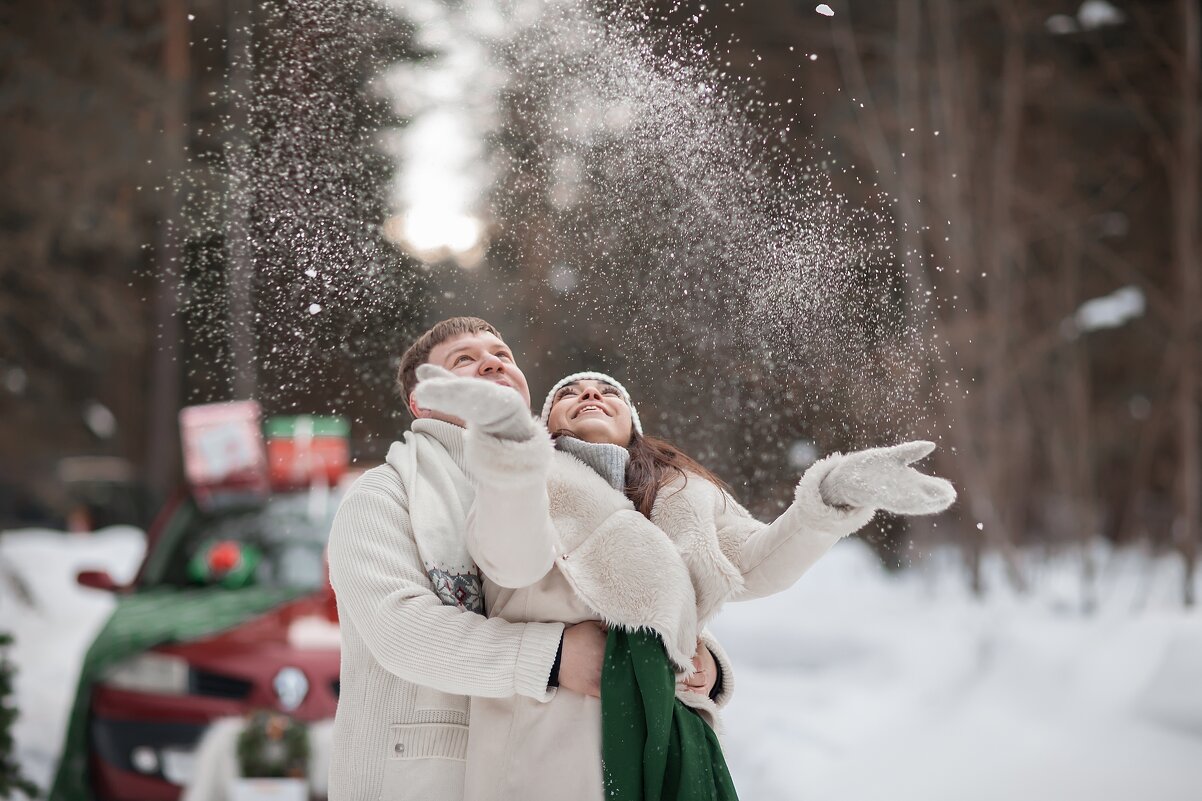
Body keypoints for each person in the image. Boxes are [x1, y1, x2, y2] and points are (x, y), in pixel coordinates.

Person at [411, 367, 956, 801]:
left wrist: (834, 494)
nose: (591, 395)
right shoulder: (525, 482)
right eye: (569, 393)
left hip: (671, 740)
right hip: (545, 745)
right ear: (547, 422)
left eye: (608, 392)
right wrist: (508, 448)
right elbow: (511, 560)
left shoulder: (686, 494)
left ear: (633, 422)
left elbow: (758, 562)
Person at [325, 317, 730, 801]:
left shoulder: (563, 485)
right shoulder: (384, 493)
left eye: (502, 354)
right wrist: (553, 656)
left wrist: (698, 660)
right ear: (424, 400)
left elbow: (626, 588)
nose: (492, 361)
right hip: (417, 779)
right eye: (464, 359)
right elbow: (398, 630)